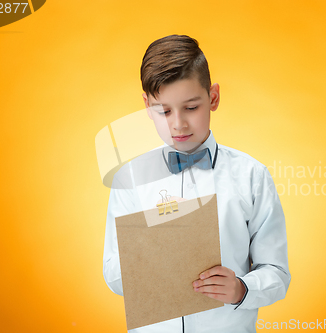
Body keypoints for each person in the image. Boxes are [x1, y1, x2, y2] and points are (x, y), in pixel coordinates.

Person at [103, 34, 290, 332]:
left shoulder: (251, 175)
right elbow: (112, 274)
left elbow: (277, 272)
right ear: (146, 106)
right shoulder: (130, 178)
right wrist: (147, 258)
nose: (177, 124)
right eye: (163, 111)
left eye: (191, 107)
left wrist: (242, 288)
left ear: (213, 97)